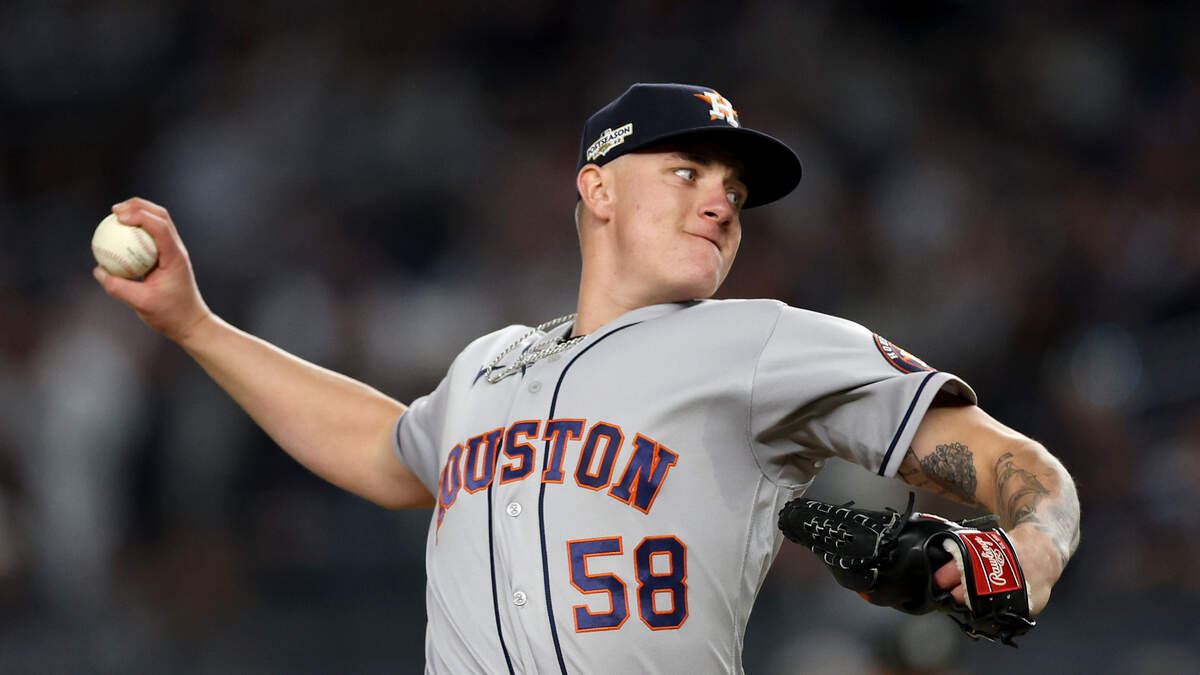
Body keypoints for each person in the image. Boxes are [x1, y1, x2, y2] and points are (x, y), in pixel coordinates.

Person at [96, 82, 1080, 673]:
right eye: (687, 173)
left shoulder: (762, 342)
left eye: (734, 190)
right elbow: (382, 450)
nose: (721, 204)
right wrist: (194, 325)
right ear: (597, 188)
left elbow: (1019, 469)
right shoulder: (486, 366)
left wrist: (1025, 558)